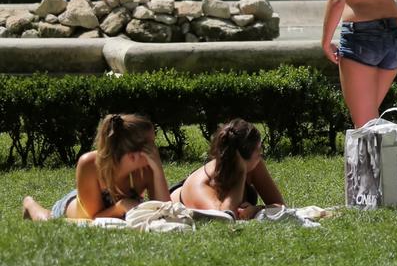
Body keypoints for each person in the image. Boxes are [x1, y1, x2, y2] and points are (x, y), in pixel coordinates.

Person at [22, 113, 169, 221]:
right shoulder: (90, 164)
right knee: (48, 221)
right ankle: (30, 204)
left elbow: (167, 211)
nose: (155, 150)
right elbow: (93, 218)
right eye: (150, 144)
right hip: (80, 209)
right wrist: (121, 206)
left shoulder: (146, 167)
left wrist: (158, 168)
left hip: (108, 208)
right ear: (133, 154)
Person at [170, 119, 284, 218]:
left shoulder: (254, 163)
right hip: (177, 200)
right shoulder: (201, 185)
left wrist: (257, 209)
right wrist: (241, 173)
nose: (261, 154)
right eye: (259, 150)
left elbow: (279, 205)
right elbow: (225, 217)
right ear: (244, 159)